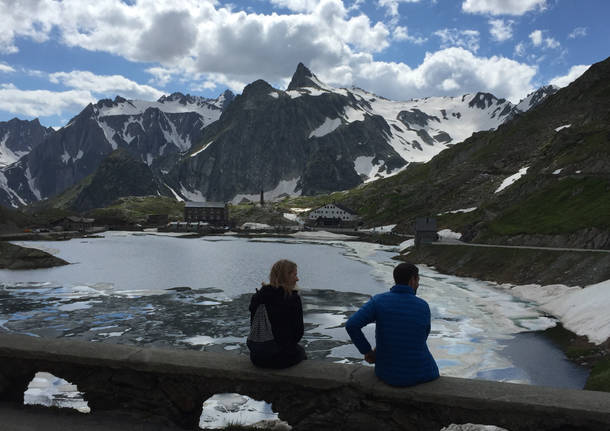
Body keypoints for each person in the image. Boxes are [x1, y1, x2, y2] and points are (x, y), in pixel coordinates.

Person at [345, 262, 439, 386]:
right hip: (422, 372)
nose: (418, 284)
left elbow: (352, 325)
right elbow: (420, 338)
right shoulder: (423, 306)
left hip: (387, 373)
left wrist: (368, 352)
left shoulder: (378, 301)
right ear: (412, 280)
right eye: (418, 280)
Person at [247, 259, 306, 368]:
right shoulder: (292, 298)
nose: (297, 279)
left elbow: (253, 325)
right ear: (286, 276)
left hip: (257, 357)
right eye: (295, 275)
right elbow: (298, 332)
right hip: (279, 358)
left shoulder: (258, 297)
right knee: (301, 352)